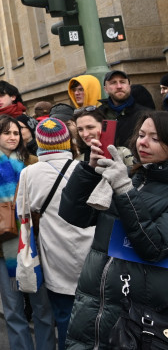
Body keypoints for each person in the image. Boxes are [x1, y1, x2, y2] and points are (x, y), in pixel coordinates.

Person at [58, 110, 168, 350]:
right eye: (141, 134)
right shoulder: (133, 178)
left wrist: (123, 188)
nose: (143, 142)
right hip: (93, 304)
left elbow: (154, 246)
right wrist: (89, 169)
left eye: (155, 138)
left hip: (139, 318)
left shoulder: (127, 183)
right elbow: (75, 215)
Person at [0, 116, 52, 350]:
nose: (13, 137)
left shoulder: (34, 163)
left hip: (35, 244)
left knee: (42, 306)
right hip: (2, 246)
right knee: (13, 308)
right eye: (7, 133)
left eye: (16, 133)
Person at [15, 117, 90, 350]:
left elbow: (22, 214)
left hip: (55, 250)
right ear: (67, 141)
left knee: (63, 312)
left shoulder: (29, 173)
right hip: (90, 249)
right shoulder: (86, 168)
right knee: (92, 312)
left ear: (39, 142)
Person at [95, 69, 152, 146]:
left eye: (122, 82)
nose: (119, 86)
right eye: (113, 83)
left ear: (129, 86)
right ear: (106, 89)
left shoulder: (145, 114)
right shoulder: (98, 114)